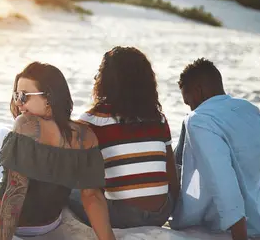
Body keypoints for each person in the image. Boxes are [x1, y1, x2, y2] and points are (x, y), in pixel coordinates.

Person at [0, 62, 148, 240]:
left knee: (1, 134)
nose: (18, 103)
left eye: (24, 96)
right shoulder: (86, 136)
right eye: (16, 96)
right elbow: (92, 197)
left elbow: (16, 191)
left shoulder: (25, 125)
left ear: (48, 98)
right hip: (47, 225)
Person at [170, 58, 260, 240]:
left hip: (218, 220)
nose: (190, 108)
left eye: (188, 101)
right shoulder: (249, 109)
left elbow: (221, 176)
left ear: (198, 91)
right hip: (259, 216)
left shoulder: (199, 119)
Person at [68, 47, 178, 229]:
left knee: (68, 186)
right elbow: (171, 172)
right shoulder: (158, 118)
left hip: (121, 216)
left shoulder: (92, 121)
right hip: (162, 212)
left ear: (106, 80)